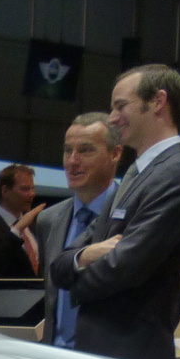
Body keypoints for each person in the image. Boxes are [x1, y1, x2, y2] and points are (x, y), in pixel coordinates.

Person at [47, 64, 180, 359]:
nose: (112, 118)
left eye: (121, 106)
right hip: (105, 354)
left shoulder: (179, 174)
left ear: (158, 102)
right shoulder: (135, 175)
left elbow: (125, 267)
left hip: (132, 355)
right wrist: (84, 256)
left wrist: (73, 286)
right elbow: (59, 264)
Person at [36, 115, 121, 347]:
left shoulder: (132, 216)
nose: (72, 161)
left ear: (115, 153)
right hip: (55, 356)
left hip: (106, 357)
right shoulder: (48, 220)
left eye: (85, 150)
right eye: (68, 151)